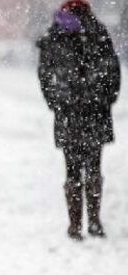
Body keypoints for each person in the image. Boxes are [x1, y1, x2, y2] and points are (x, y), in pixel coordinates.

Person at [37, 0, 120, 240]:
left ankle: (75, 225)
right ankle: (94, 220)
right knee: (94, 166)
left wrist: (56, 101)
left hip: (68, 113)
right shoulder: (98, 30)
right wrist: (105, 99)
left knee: (72, 169)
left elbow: (44, 73)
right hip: (96, 111)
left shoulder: (55, 33)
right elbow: (113, 70)